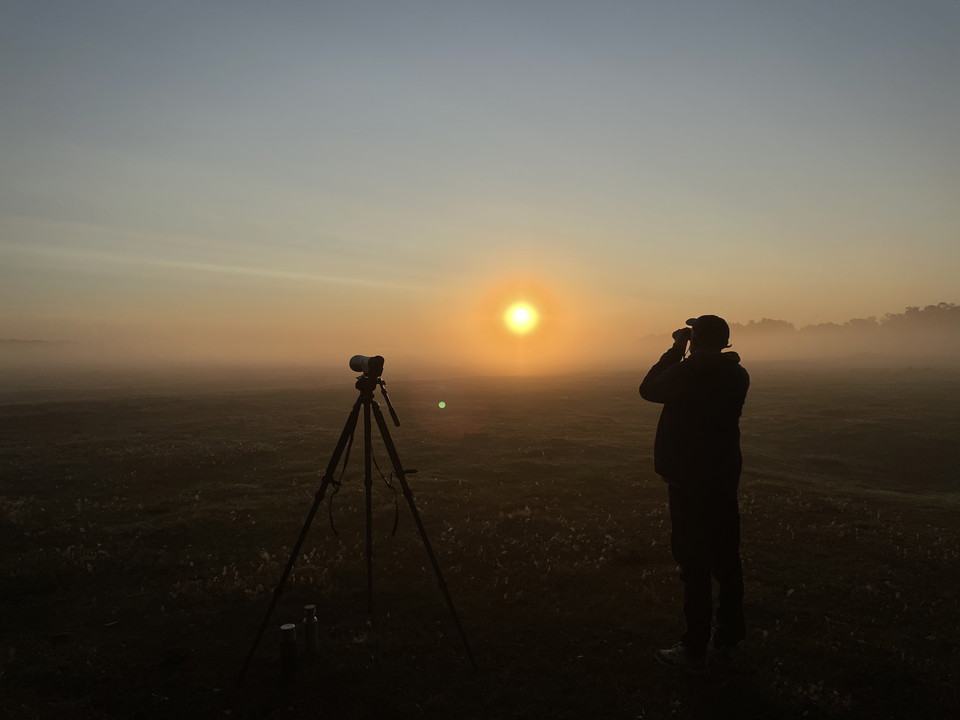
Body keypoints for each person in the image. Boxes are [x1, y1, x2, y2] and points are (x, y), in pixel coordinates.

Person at [639, 315, 749, 675]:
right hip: (722, 479)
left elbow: (649, 388)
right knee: (727, 563)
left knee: (695, 565)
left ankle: (694, 648)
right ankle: (727, 643)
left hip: (688, 482)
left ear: (696, 340)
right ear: (726, 341)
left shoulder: (689, 373)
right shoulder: (737, 374)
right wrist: (694, 349)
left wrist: (676, 348)